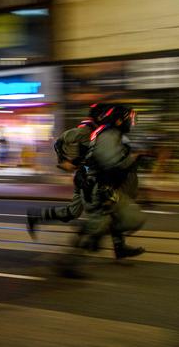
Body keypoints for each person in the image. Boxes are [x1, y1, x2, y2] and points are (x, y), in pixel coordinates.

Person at [27, 104, 144, 260]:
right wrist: (65, 161)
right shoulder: (85, 131)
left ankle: (118, 247)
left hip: (92, 177)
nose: (106, 117)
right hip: (86, 178)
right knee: (79, 213)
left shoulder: (106, 132)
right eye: (104, 115)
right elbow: (60, 141)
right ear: (98, 117)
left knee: (105, 211)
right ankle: (40, 218)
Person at [58, 104, 146, 277]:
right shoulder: (107, 135)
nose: (132, 123)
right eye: (130, 120)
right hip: (99, 189)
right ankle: (69, 262)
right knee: (105, 223)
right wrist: (131, 160)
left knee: (126, 218)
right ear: (120, 120)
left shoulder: (111, 134)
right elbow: (111, 166)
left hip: (103, 188)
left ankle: (100, 241)